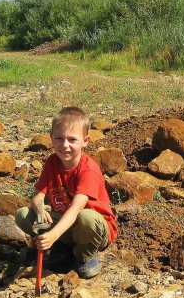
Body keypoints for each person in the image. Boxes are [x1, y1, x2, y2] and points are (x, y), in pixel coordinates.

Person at [15, 106, 117, 278]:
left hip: (91, 229)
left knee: (87, 218)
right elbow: (38, 197)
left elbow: (76, 209)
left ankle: (84, 255)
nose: (65, 145)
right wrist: (39, 210)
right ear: (51, 138)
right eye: (59, 139)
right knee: (23, 214)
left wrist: (53, 234)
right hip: (65, 223)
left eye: (72, 140)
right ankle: (61, 251)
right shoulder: (52, 162)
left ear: (85, 141)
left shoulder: (88, 170)